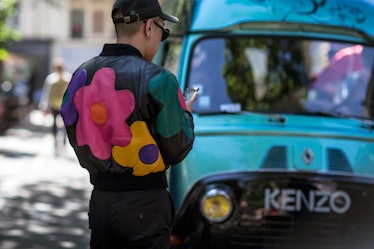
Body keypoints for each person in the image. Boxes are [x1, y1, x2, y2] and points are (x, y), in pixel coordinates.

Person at [60, 0, 198, 248]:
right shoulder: (159, 79)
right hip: (145, 206)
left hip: (101, 203)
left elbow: (71, 123)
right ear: (148, 27)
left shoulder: (81, 75)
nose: (160, 38)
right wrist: (184, 114)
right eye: (162, 31)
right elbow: (177, 149)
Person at [39, 57, 71, 152]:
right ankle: (56, 145)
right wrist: (44, 105)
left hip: (65, 106)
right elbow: (47, 93)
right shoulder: (51, 79)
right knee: (54, 126)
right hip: (54, 105)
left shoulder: (68, 78)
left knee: (65, 126)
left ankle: (64, 143)